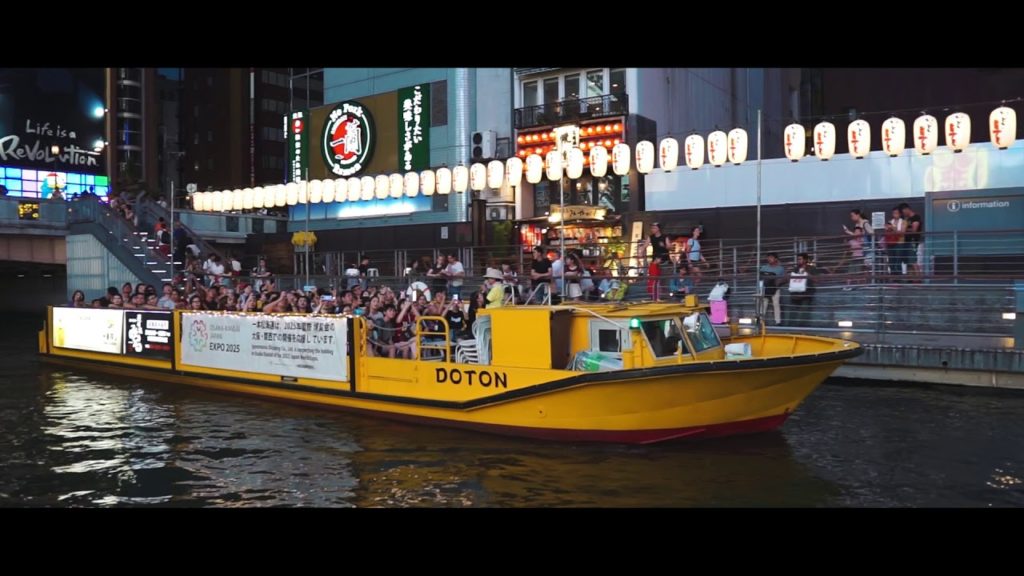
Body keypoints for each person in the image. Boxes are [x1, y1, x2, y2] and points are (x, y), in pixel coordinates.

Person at [758, 253, 786, 325]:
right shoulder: (764, 268)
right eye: (768, 257)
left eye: (771, 257)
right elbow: (760, 278)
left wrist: (779, 283)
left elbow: (784, 278)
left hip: (775, 288)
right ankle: (761, 321)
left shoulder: (780, 268)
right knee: (763, 305)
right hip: (765, 288)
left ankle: (778, 322)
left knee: (776, 305)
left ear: (776, 259)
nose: (769, 259)